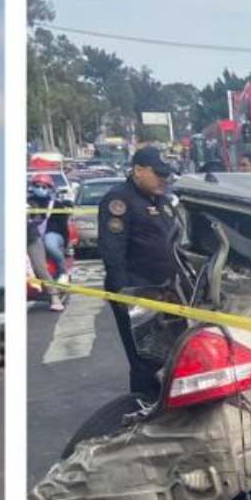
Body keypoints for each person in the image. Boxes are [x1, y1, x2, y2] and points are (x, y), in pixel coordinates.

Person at [97, 145, 181, 398]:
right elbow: (113, 253)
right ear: (138, 170)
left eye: (167, 175)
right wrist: (126, 295)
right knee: (144, 358)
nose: (164, 180)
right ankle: (141, 409)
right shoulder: (119, 201)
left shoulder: (162, 201)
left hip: (165, 290)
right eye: (158, 174)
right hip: (137, 289)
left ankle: (163, 403)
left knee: (167, 354)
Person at [27, 175, 66, 311]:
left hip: (30, 238)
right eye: (37, 186)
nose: (40, 189)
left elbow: (37, 218)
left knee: (40, 268)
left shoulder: (31, 204)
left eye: (43, 187)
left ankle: (54, 297)